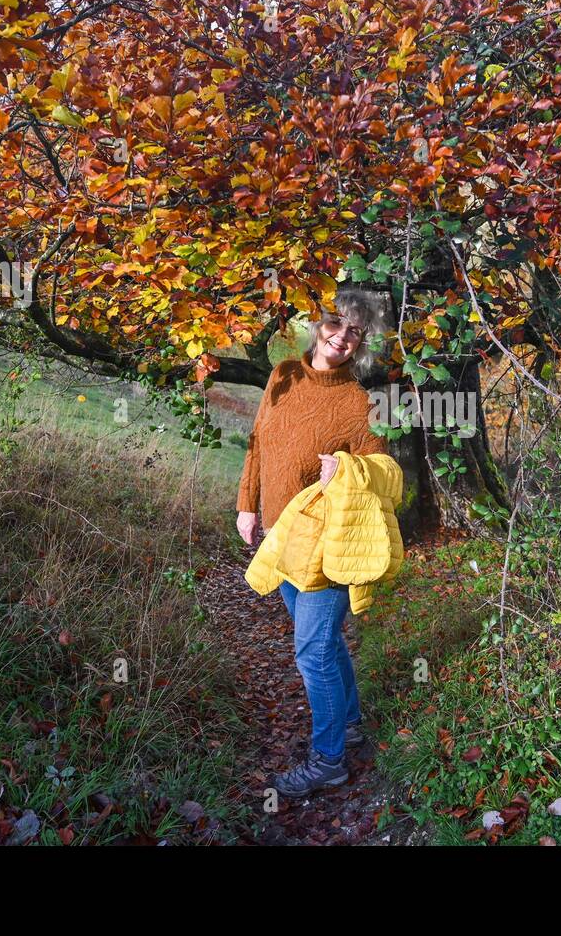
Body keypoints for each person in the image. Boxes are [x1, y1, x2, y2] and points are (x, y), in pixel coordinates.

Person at [235, 289, 389, 796]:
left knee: (312, 652)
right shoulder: (282, 373)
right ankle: (348, 724)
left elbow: (386, 475)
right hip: (280, 535)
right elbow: (259, 440)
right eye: (335, 324)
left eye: (355, 333)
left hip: (328, 542)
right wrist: (247, 504)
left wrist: (348, 467)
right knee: (324, 644)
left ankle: (328, 760)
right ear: (318, 324)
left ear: (362, 345)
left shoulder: (359, 403)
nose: (341, 338)